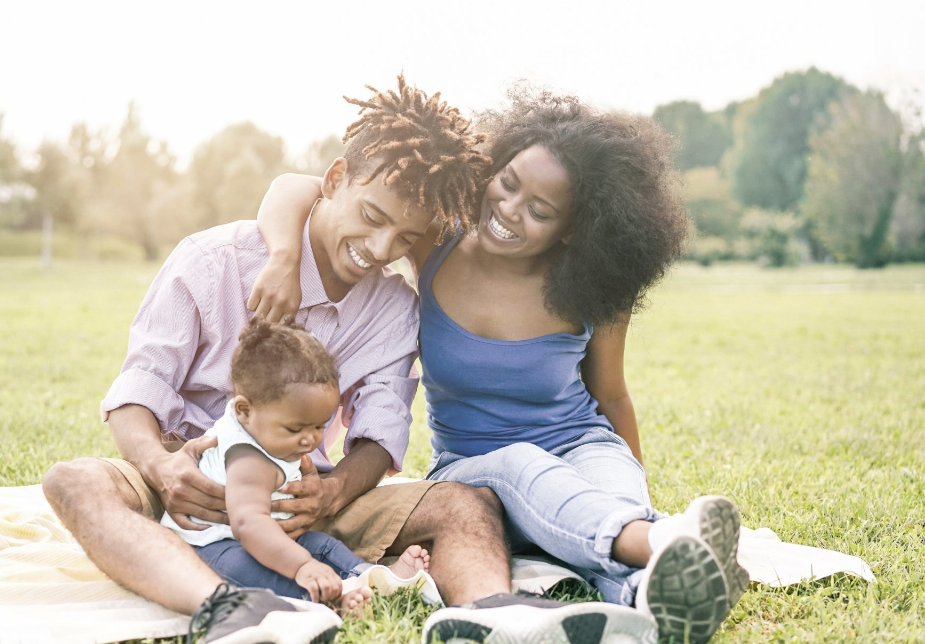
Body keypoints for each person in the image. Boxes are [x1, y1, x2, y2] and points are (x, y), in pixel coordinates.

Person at [43, 77, 658, 644]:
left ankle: (492, 613)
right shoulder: (214, 262)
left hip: (297, 498)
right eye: (371, 219)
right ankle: (227, 606)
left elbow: (381, 434)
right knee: (73, 482)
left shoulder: (392, 307)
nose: (379, 250)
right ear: (335, 179)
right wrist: (159, 467)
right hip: (187, 480)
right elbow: (139, 388)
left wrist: (333, 489)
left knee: (467, 502)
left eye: (401, 237)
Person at [251, 87, 750, 644]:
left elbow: (612, 397)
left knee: (607, 508)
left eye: (540, 211)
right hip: (476, 471)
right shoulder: (436, 242)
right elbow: (296, 186)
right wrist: (283, 256)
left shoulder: (594, 285)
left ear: (571, 228)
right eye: (507, 184)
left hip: (582, 447)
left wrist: (632, 486)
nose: (510, 211)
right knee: (519, 464)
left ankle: (650, 598)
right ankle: (665, 541)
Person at [161, 317, 432, 616]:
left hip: (268, 533)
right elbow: (248, 525)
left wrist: (305, 557)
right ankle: (327, 601)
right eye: (295, 429)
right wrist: (302, 565)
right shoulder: (249, 459)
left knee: (320, 545)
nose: (310, 439)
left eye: (319, 426)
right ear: (244, 410)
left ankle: (374, 577)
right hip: (210, 547)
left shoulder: (261, 422)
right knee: (254, 569)